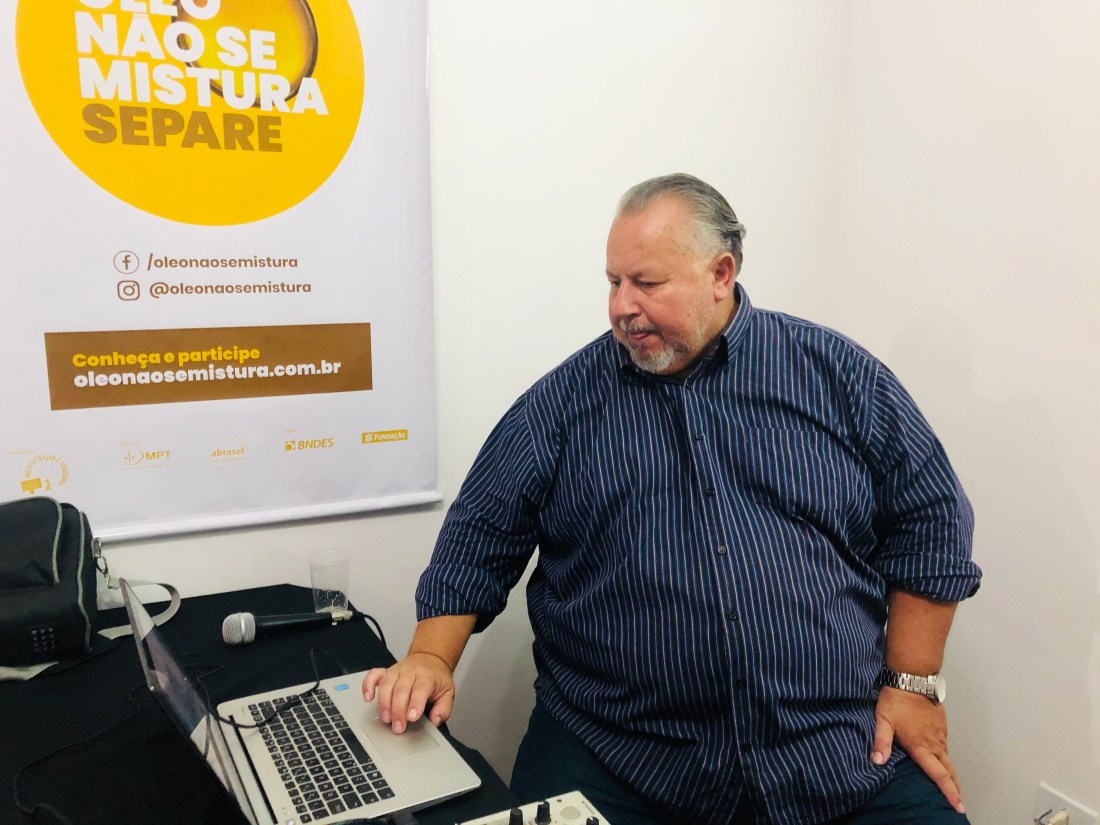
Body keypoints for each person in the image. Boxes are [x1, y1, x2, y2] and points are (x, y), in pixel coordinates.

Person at [362, 173, 981, 825]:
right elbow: (480, 532)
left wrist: (913, 684)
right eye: (613, 282)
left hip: (834, 748)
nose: (621, 307)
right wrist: (430, 657)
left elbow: (933, 516)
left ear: (720, 273)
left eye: (646, 283)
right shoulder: (561, 404)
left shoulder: (840, 377)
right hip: (618, 754)